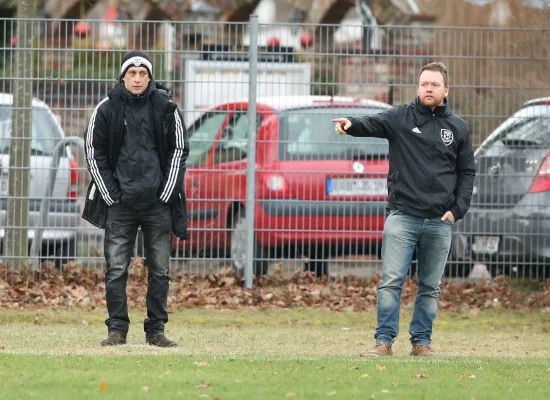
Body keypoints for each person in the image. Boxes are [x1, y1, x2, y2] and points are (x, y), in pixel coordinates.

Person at [332, 62, 475, 356]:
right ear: (418, 88)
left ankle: (421, 343)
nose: (429, 89)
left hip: (439, 220)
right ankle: (383, 342)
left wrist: (457, 210)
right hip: (402, 216)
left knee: (430, 287)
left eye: (435, 85)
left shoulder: (458, 128)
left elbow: (467, 173)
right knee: (391, 282)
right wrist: (350, 124)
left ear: (446, 90)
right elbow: (372, 122)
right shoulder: (400, 117)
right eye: (424, 84)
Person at [82, 50, 189, 347]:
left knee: (160, 269)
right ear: (123, 76)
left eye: (143, 74)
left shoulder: (166, 107)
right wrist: (110, 195)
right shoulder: (106, 108)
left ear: (150, 77)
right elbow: (93, 151)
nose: (138, 78)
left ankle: (156, 331)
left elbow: (178, 151)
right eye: (132, 73)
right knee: (116, 268)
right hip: (120, 205)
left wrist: (166, 194)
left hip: (158, 205)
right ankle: (116, 330)